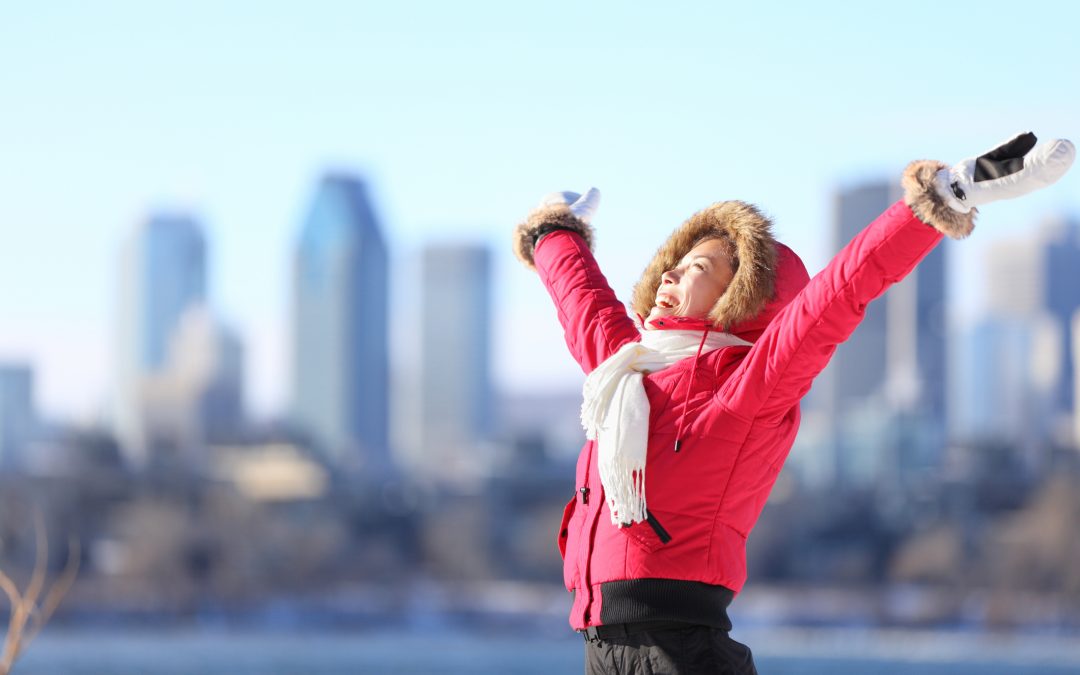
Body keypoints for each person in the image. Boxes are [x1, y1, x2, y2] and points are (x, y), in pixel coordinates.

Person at [511, 132, 1075, 674]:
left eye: (697, 269)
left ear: (739, 297)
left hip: (683, 649)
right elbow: (581, 301)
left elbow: (836, 297)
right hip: (600, 646)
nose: (671, 274)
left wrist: (943, 196)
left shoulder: (744, 388)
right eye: (674, 265)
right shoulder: (626, 371)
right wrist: (554, 231)